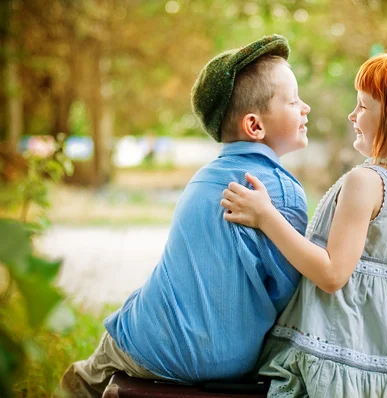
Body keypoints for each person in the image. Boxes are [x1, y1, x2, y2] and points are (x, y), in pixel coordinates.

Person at [56, 34, 311, 397]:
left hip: (150, 345)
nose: (306, 108)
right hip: (230, 359)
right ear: (254, 126)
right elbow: (287, 290)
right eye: (294, 100)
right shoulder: (284, 193)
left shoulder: (202, 180)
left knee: (85, 377)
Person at [220, 41, 387, 397]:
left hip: (333, 342)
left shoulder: (366, 181)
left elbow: (331, 274)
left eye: (363, 106)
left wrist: (266, 216)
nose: (353, 116)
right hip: (372, 351)